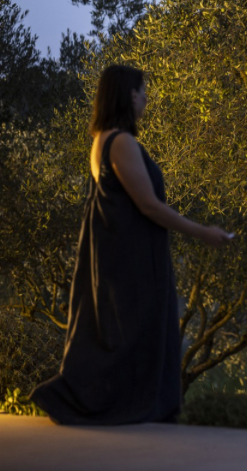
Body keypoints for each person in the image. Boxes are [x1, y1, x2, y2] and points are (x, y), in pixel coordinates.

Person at [30, 64, 233, 425]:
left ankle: (126, 407)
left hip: (119, 254)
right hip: (132, 258)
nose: (146, 99)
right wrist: (202, 231)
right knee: (137, 331)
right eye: (142, 91)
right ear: (128, 95)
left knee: (124, 333)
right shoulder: (121, 142)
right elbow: (148, 204)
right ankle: (126, 407)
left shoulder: (102, 140)